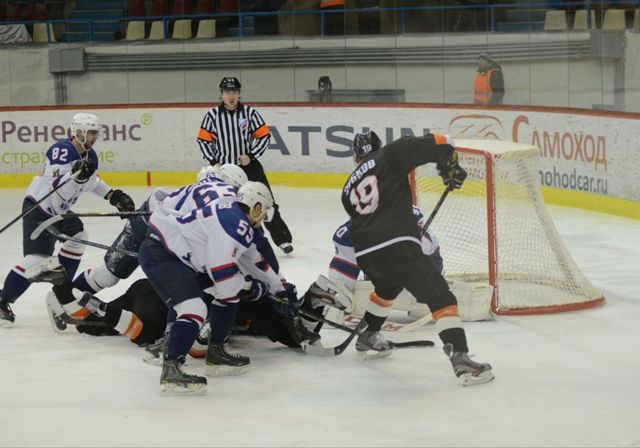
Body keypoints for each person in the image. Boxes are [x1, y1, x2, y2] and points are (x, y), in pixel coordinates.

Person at [340, 130, 494, 386]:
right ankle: (461, 358)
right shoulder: (388, 155)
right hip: (397, 246)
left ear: (355, 156)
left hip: (366, 253)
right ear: (379, 146)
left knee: (387, 289)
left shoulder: (347, 189)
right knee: (441, 297)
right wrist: (449, 164)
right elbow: (442, 141)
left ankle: (368, 335)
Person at [138, 181, 314, 394]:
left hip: (183, 258)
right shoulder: (230, 222)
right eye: (264, 213)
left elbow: (255, 261)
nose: (263, 219)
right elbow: (222, 275)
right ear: (256, 207)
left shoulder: (238, 219)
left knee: (228, 295)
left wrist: (280, 289)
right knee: (195, 309)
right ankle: (171, 369)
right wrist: (251, 288)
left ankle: (216, 353)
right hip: (162, 253)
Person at [44, 164, 248, 330]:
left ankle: (64, 296)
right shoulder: (220, 197)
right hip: (148, 223)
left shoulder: (213, 186)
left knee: (113, 276)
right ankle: (59, 297)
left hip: (163, 224)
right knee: (109, 275)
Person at [0, 113, 135, 327]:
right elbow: (58, 189)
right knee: (37, 259)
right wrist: (76, 176)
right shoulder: (61, 150)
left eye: (96, 133)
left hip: (59, 211)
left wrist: (113, 196)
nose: (95, 137)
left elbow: (93, 182)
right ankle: (2, 299)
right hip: (40, 207)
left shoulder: (90, 155)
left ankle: (61, 295)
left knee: (78, 237)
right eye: (91, 133)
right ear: (79, 132)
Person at [196, 76, 294, 255]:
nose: (231, 96)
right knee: (228, 206)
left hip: (250, 167)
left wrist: (251, 155)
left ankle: (283, 239)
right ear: (221, 94)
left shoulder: (249, 113)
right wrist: (213, 161)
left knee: (266, 202)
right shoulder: (212, 116)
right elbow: (203, 140)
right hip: (225, 171)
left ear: (239, 94)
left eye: (234, 92)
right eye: (227, 92)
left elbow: (264, 136)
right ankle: (233, 242)